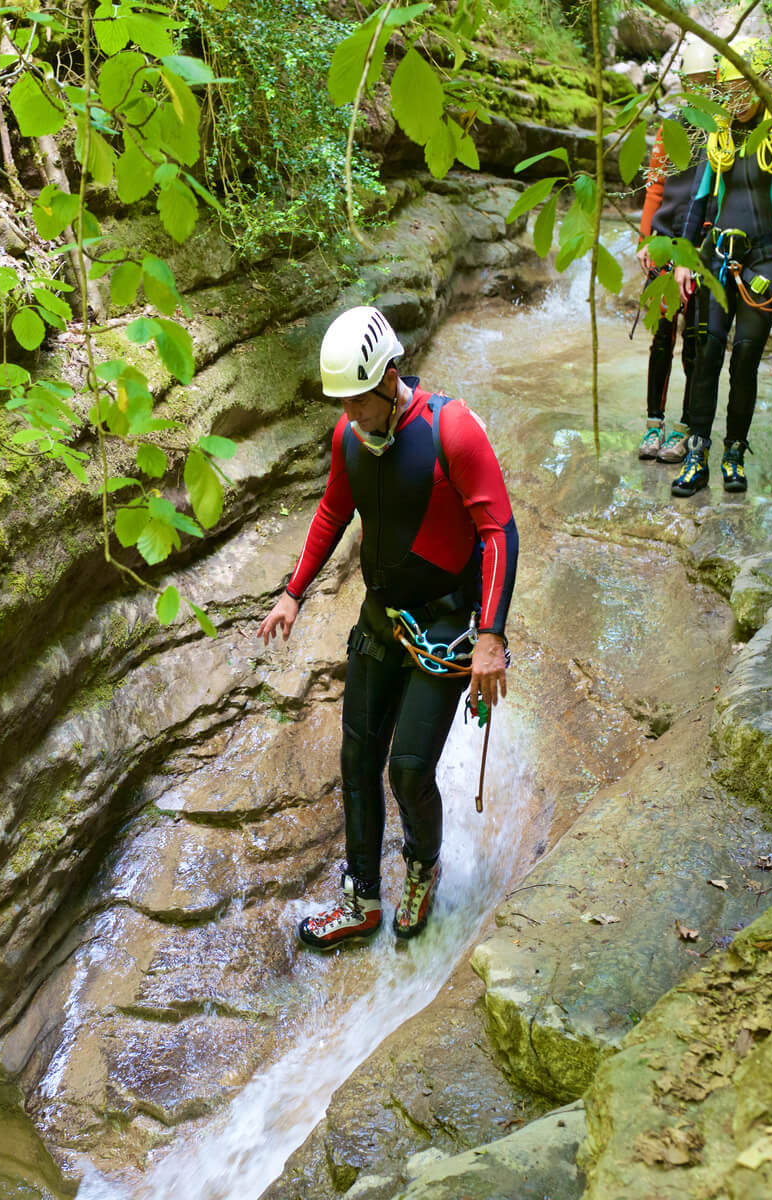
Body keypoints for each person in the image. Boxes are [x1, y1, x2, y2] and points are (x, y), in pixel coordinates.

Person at [256, 306, 518, 950]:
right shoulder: (351, 439)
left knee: (406, 770)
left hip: (447, 629)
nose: (350, 415)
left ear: (389, 376)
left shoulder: (451, 430)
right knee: (357, 759)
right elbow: (332, 511)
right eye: (341, 404)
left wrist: (490, 636)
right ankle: (361, 897)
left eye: (358, 402)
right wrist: (294, 593)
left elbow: (498, 531)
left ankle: (423, 868)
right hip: (381, 619)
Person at [671, 37, 772, 497]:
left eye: (742, 86)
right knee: (707, 354)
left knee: (746, 360)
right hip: (716, 257)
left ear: (761, 82)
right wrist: (683, 258)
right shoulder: (718, 133)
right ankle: (698, 452)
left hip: (767, 261)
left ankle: (734, 451)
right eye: (727, 88)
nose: (734, 97)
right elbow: (698, 200)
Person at [634, 36, 718, 465]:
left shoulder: (723, 131)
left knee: (696, 344)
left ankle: (686, 427)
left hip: (703, 248)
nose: (700, 87)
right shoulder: (672, 127)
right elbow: (656, 187)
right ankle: (654, 422)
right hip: (665, 242)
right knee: (662, 338)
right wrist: (646, 239)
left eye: (707, 80)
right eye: (694, 81)